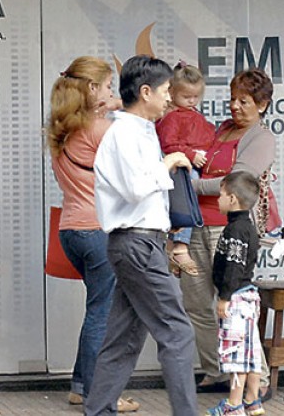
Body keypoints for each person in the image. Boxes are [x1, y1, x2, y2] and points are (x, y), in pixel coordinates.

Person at [85, 55, 198, 416]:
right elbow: (135, 188)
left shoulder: (140, 131)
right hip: (137, 243)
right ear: (146, 92)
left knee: (124, 338)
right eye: (166, 90)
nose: (169, 97)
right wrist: (169, 162)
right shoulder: (125, 134)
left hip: (137, 242)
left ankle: (99, 409)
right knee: (177, 331)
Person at [46, 56, 138, 413]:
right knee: (104, 313)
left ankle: (81, 386)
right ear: (92, 88)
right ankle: (99, 394)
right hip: (98, 229)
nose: (112, 92)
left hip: (71, 230)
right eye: (108, 86)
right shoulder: (102, 130)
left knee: (97, 308)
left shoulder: (63, 127)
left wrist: (111, 104)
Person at [183, 68, 275, 399]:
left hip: (228, 227)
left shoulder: (261, 138)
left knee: (234, 306)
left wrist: (188, 187)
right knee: (196, 304)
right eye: (233, 99)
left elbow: (236, 181)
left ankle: (258, 380)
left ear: (262, 105)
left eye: (244, 101)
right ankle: (217, 370)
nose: (235, 106)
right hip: (196, 223)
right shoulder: (221, 128)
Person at [205, 171, 264, 416]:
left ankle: (234, 403)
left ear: (232, 199)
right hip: (247, 297)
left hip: (236, 299)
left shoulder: (235, 230)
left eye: (221, 195)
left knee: (235, 352)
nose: (217, 200)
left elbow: (233, 266)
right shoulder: (246, 227)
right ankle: (253, 399)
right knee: (251, 350)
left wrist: (225, 297)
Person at [156, 62, 215, 277]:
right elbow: (169, 144)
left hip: (196, 161)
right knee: (187, 196)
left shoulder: (193, 114)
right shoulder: (172, 117)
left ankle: (176, 246)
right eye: (186, 96)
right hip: (183, 166)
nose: (191, 101)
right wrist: (191, 155)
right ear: (171, 93)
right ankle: (180, 244)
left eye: (196, 97)